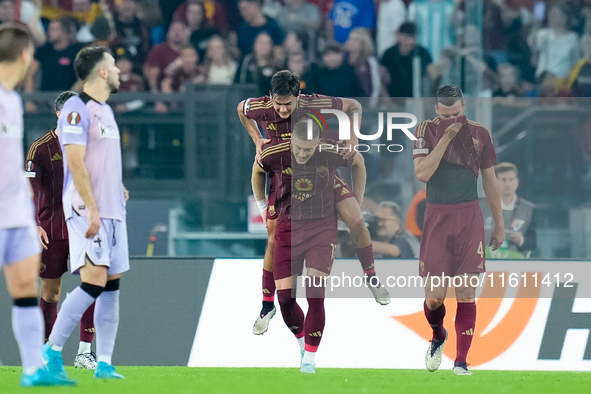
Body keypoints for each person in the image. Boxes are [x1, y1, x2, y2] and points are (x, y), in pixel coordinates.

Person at [237, 70, 390, 336]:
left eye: (288, 103)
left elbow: (354, 107)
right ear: (271, 97)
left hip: (321, 171)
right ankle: (266, 305)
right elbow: (241, 109)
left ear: (299, 97)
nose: (283, 110)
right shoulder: (258, 106)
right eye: (278, 103)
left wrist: (352, 138)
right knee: (273, 237)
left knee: (355, 219)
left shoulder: (313, 102)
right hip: (284, 177)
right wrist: (256, 138)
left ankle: (371, 275)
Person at [42, 45, 129, 380]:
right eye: (114, 64)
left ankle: (104, 363)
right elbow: (75, 161)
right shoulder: (76, 110)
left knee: (111, 285)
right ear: (101, 72)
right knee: (93, 282)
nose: (120, 69)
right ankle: (50, 353)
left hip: (113, 210)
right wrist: (92, 207)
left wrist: (117, 188)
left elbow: (102, 161)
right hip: (85, 208)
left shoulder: (105, 111)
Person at [252, 120, 362, 373]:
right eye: (299, 148)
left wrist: (356, 201)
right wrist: (261, 208)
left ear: (318, 143)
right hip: (288, 228)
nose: (302, 154)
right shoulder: (273, 153)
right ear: (291, 142)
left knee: (315, 294)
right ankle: (302, 345)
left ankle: (310, 360)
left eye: (308, 149)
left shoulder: (331, 151)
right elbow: (257, 173)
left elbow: (359, 163)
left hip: (322, 229)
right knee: (286, 301)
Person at [0, 24, 74, 387]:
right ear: (26, 55)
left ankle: (34, 370)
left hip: (16, 218)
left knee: (26, 293)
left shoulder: (12, 101)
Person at [413, 85, 504, 375]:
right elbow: (422, 173)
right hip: (437, 217)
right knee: (435, 297)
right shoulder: (425, 129)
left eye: (457, 113)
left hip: (468, 217)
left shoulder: (480, 133)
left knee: (465, 290)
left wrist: (499, 223)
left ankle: (461, 361)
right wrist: (445, 139)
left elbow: (490, 181)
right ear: (437, 109)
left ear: (464, 105)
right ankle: (438, 335)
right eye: (446, 114)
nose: (453, 119)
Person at [25, 91, 99, 370]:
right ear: (59, 114)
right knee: (51, 292)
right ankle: (47, 352)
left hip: (83, 227)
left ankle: (84, 353)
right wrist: (33, 223)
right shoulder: (40, 148)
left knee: (91, 285)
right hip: (52, 227)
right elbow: (29, 190)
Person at [479, 162, 536, 257]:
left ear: (517, 182)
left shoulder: (528, 209)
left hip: (515, 264)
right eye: (503, 180)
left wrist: (521, 240)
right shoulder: (480, 205)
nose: (507, 183)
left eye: (511, 179)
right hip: (484, 262)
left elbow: (533, 242)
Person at [381, 21, 432, 98]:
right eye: (407, 38)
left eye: (412, 38)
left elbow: (429, 78)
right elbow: (382, 80)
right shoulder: (389, 54)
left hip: (416, 97)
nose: (410, 42)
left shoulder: (421, 53)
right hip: (394, 98)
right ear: (400, 36)